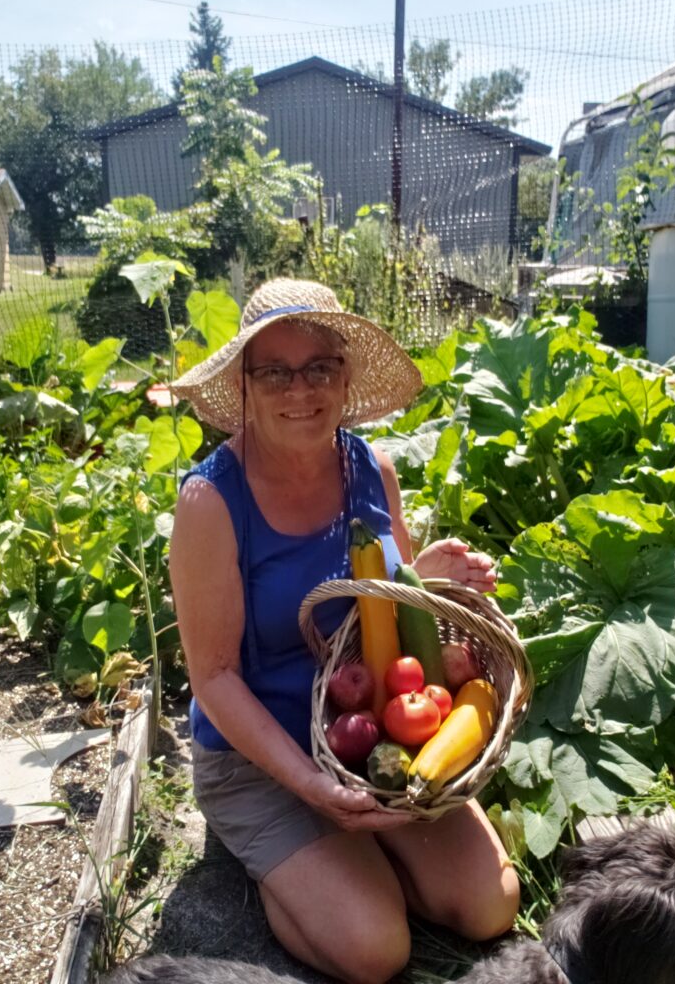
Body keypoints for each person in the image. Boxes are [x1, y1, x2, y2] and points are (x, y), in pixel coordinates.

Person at [169, 279, 519, 984]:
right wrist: (308, 783)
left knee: (491, 907)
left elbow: (382, 604)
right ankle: (282, 865)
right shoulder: (212, 502)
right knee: (375, 951)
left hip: (372, 731)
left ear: (345, 373)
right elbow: (214, 677)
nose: (301, 389)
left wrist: (424, 572)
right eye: (275, 370)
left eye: (319, 367)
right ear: (246, 383)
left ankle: (367, 856)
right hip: (259, 757)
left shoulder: (370, 468)